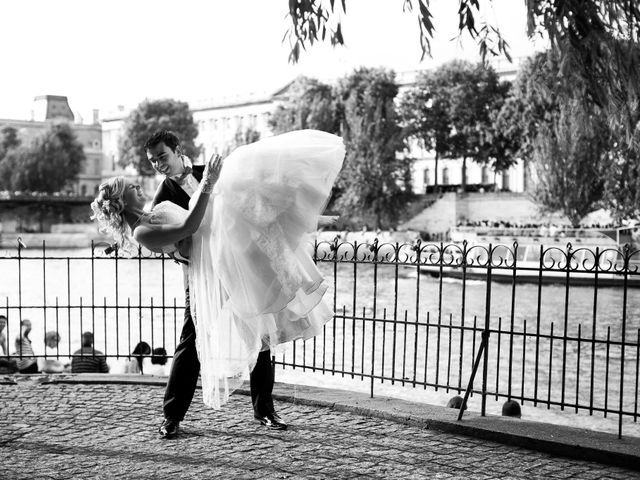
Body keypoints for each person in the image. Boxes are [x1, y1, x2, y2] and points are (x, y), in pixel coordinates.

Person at [91, 129, 344, 438]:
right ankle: (172, 415)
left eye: (162, 156)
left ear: (177, 150)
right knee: (191, 341)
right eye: (153, 160)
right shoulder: (162, 195)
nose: (158, 164)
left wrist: (309, 221)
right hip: (202, 275)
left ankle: (264, 409)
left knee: (260, 332)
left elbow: (256, 203)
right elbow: (176, 241)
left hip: (243, 263)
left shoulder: (214, 170)